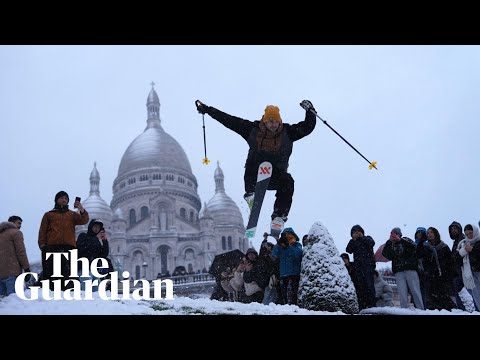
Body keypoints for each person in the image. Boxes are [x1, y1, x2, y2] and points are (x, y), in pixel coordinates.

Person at [196, 100, 317, 225]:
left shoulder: (288, 132)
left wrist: (310, 111)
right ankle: (251, 194)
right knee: (254, 161)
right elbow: (229, 120)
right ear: (264, 121)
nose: (274, 125)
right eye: (271, 121)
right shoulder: (252, 130)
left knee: (288, 181)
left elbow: (307, 127)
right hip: (255, 175)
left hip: (275, 176)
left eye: (276, 121)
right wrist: (208, 110)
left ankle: (279, 216)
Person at [38, 190, 89, 290]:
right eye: (61, 198)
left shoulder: (72, 214)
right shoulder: (49, 215)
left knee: (68, 273)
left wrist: (81, 208)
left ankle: (67, 297)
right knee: (53, 273)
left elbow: (84, 220)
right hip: (53, 247)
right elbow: (42, 231)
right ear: (56, 200)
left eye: (66, 198)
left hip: (69, 247)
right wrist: (42, 245)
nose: (64, 200)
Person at [382, 227, 424, 310]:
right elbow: (386, 254)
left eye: (395, 234)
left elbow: (413, 247)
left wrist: (400, 240)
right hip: (398, 271)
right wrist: (389, 242)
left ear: (399, 234)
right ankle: (404, 310)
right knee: (402, 293)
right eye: (392, 234)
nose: (393, 236)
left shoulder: (406, 240)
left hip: (410, 269)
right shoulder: (390, 244)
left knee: (415, 291)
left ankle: (421, 310)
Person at [346, 225, 376, 310]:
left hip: (368, 266)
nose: (356, 234)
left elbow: (372, 243)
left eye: (357, 232)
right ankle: (362, 306)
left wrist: (362, 237)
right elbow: (348, 250)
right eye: (354, 232)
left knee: (369, 285)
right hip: (358, 268)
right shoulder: (353, 241)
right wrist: (353, 240)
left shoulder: (367, 238)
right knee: (360, 287)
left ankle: (372, 305)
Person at [272, 227, 303, 305]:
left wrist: (288, 246)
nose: (288, 237)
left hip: (294, 274)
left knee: (293, 294)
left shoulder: (297, 245)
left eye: (289, 235)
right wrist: (278, 243)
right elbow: (274, 254)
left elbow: (297, 255)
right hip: (283, 274)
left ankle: (294, 308)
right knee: (283, 295)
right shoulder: (280, 247)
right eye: (286, 236)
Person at [0, 217, 31, 296]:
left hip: (1, 275)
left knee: (4, 304)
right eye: (19, 223)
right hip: (12, 273)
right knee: (14, 301)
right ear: (12, 223)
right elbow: (21, 252)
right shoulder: (16, 233)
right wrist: (27, 269)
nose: (20, 226)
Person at [77, 219, 109, 291]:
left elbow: (104, 254)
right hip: (83, 268)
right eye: (95, 226)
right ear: (90, 227)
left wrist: (104, 241)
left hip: (93, 270)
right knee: (86, 291)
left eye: (98, 227)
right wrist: (94, 239)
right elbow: (83, 249)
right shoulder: (83, 236)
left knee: (96, 291)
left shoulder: (97, 241)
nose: (97, 228)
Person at [448, 221, 468, 311]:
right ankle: (462, 309)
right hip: (458, 271)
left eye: (455, 228)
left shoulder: (463, 239)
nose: (453, 231)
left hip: (464, 270)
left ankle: (464, 309)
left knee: (468, 291)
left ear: (459, 229)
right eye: (452, 229)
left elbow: (460, 255)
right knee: (456, 290)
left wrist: (454, 256)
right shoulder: (456, 240)